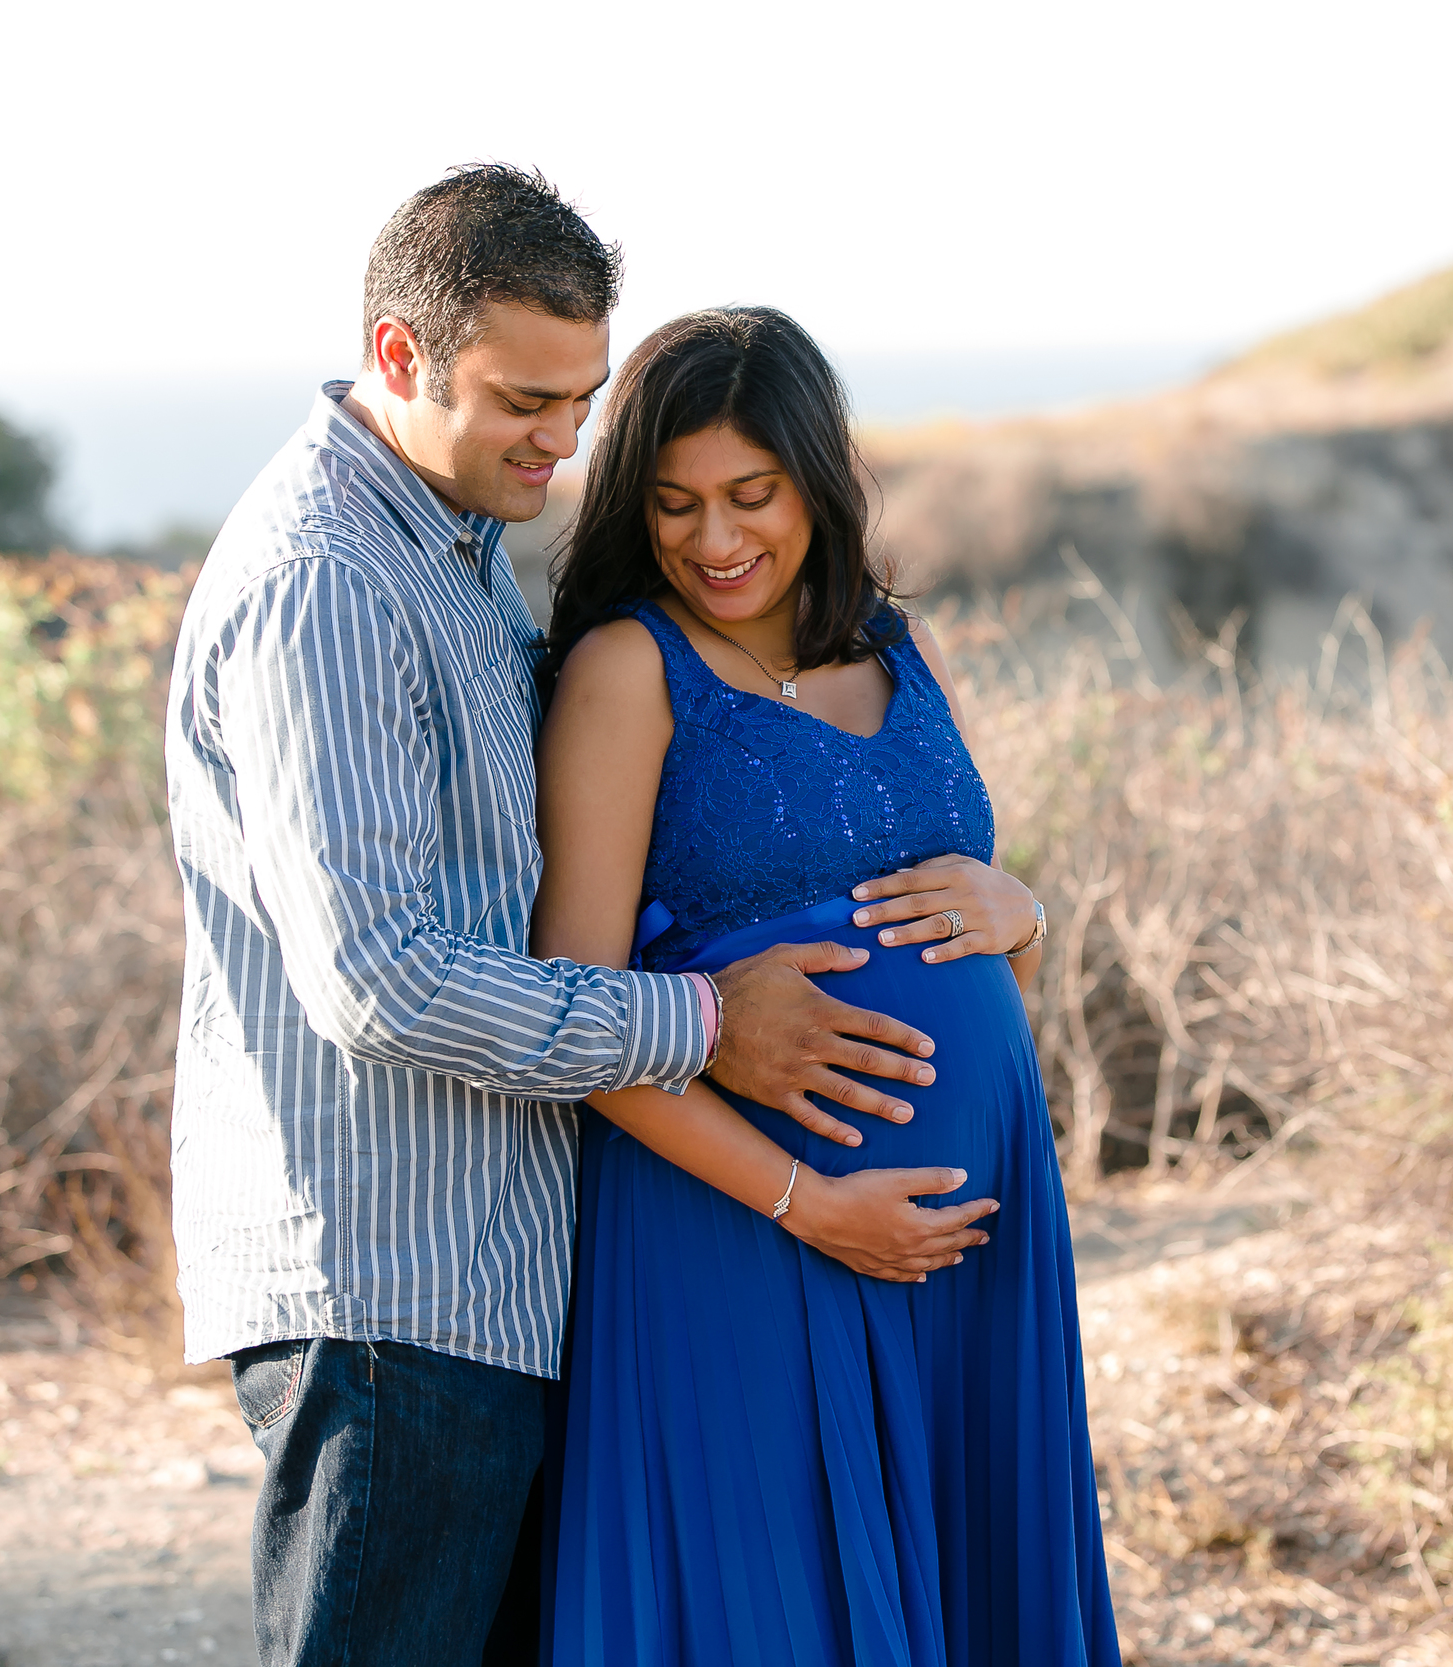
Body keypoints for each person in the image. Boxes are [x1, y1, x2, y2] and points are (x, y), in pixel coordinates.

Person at [164, 167, 999, 1667]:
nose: (561, 441)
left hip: (496, 1270)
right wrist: (703, 1022)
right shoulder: (329, 582)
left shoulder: (451, 548)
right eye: (526, 401)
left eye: (580, 400)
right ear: (400, 355)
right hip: (388, 1280)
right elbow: (380, 977)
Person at [529, 306, 1121, 1663]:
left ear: (817, 481)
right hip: (742, 1224)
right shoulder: (630, 671)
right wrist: (812, 1204)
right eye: (673, 504)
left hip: (971, 1248)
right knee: (776, 1609)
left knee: (964, 1592)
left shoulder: (894, 644)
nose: (713, 539)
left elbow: (977, 928)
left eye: (752, 494)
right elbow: (577, 1006)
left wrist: (1020, 906)